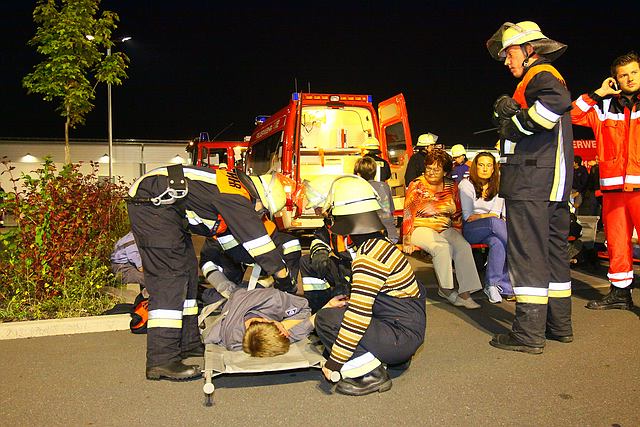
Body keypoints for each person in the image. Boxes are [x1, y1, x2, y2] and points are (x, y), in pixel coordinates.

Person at [127, 165, 297, 381]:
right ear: (262, 196)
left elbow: (232, 245)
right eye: (263, 209)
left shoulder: (232, 191)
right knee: (170, 279)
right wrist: (283, 277)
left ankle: (188, 343)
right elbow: (260, 245)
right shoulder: (236, 197)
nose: (260, 213)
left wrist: (255, 262)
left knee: (188, 275)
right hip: (153, 205)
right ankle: (161, 359)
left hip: (166, 209)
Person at [486, 21, 574, 354]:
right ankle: (559, 325)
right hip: (552, 184)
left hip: (531, 183)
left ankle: (528, 334)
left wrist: (514, 125)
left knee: (527, 256)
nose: (506, 61)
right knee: (554, 256)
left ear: (529, 50)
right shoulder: (544, 75)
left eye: (509, 53)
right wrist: (513, 113)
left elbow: (555, 103)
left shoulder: (539, 74)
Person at [310, 175, 426, 396]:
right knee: (343, 312)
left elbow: (358, 317)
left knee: (327, 319)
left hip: (399, 337)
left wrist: (335, 363)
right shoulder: (380, 245)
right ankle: (388, 356)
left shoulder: (368, 257)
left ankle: (369, 374)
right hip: (404, 331)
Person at [571, 51, 640, 310]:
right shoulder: (603, 108)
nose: (629, 78)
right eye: (623, 75)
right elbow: (572, 115)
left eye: (634, 72)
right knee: (617, 242)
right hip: (612, 190)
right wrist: (598, 93)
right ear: (615, 80)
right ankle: (620, 293)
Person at [402, 149, 482, 309]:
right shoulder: (417, 185)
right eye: (428, 168)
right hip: (420, 227)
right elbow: (408, 212)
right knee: (442, 247)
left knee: (463, 247)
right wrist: (406, 239)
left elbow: (457, 212)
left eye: (436, 169)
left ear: (445, 171)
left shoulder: (452, 185)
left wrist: (458, 232)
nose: (431, 172)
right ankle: (446, 289)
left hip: (445, 226)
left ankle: (465, 294)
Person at [203, 286, 347, 355]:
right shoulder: (234, 341)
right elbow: (290, 336)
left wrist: (285, 324)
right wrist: (326, 308)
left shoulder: (274, 299)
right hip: (232, 301)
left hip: (251, 291)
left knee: (222, 289)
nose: (287, 333)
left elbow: (304, 308)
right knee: (209, 294)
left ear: (269, 321)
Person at [199, 220, 302, 301]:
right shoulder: (218, 232)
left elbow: (282, 275)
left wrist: (266, 283)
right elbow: (207, 262)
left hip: (269, 268)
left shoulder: (284, 243)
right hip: (234, 260)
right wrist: (223, 286)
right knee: (223, 298)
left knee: (280, 296)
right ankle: (204, 294)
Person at [458, 152, 513, 303]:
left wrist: (482, 216)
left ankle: (492, 285)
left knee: (497, 243)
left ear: (494, 168)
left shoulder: (498, 184)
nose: (485, 169)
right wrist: (487, 216)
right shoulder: (466, 184)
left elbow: (496, 212)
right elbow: (468, 216)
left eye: (489, 165)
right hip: (471, 229)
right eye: (481, 165)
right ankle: (519, 254)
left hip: (493, 229)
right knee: (495, 224)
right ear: (475, 167)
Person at [354, 156, 399, 243]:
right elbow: (391, 211)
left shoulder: (359, 188)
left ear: (358, 174)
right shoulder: (384, 186)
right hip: (391, 235)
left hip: (371, 238)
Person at [110, 231, 147, 295]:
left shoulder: (136, 237)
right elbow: (140, 267)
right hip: (122, 268)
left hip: (129, 264)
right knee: (146, 278)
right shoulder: (131, 241)